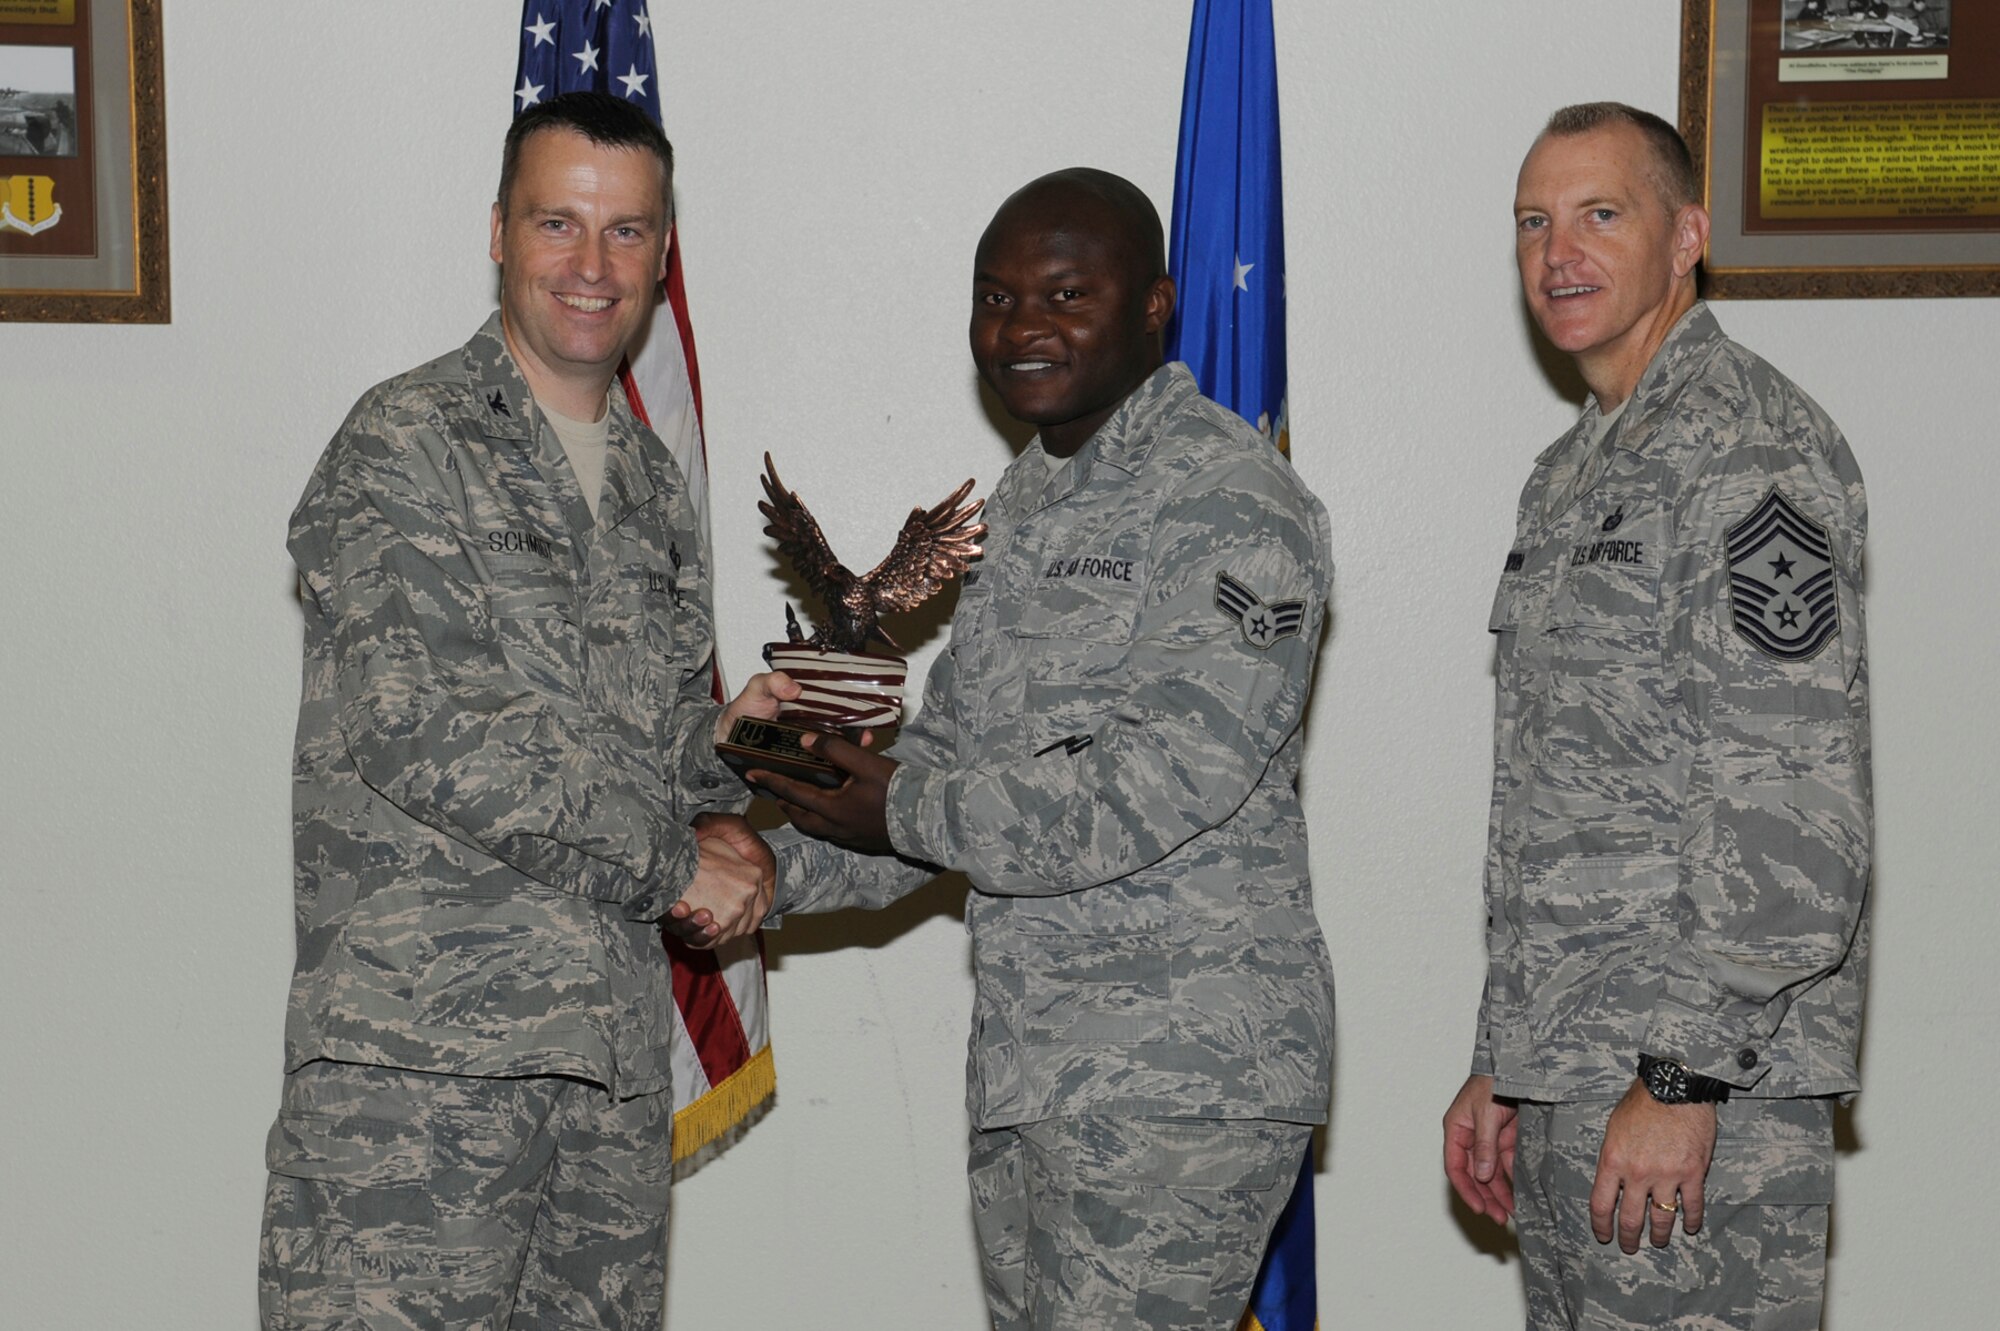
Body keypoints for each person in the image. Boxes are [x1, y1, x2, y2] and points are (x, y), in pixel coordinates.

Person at [739, 169, 1335, 1331]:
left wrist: (900, 807)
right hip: (1039, 1063)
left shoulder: (1226, 495)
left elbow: (1168, 776)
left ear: (1153, 304)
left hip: (1177, 1073)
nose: (1022, 327)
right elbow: (946, 767)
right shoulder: (1029, 499)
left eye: (1065, 294)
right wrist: (757, 864)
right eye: (996, 297)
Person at [261, 92, 790, 1330]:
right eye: (559, 222)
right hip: (417, 1075)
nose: (591, 264)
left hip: (606, 1074)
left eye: (626, 230)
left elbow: (653, 745)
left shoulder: (650, 481)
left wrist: (749, 736)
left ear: (661, 253)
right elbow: (427, 730)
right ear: (498, 231)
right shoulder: (405, 440)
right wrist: (677, 864)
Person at [1441, 103, 1871, 1328]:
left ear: (1684, 237)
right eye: (1532, 221)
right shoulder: (1569, 471)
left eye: (1599, 214)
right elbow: (1559, 799)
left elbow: (1788, 801)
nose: (1557, 253)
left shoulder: (1747, 450)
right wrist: (1504, 1056)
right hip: (1577, 1075)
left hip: (1698, 1091)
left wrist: (1684, 1071)